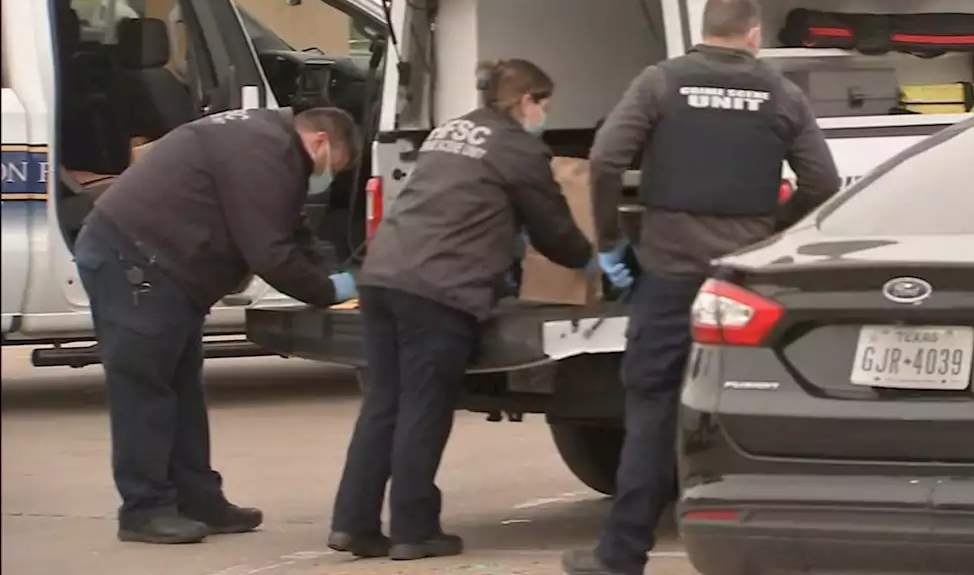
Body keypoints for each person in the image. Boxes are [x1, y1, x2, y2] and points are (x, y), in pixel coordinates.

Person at [563, 0, 842, 575]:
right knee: (758, 407)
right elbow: (823, 181)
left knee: (651, 409)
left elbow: (608, 159)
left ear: (703, 29)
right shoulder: (780, 93)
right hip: (743, 285)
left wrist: (613, 242)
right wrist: (774, 235)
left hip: (667, 275)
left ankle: (621, 556)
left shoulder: (660, 83)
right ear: (753, 34)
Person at [328, 58, 595, 561]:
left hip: (384, 276)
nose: (545, 115)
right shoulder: (519, 148)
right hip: (438, 288)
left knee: (384, 402)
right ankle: (414, 530)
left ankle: (354, 522)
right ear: (526, 101)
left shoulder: (452, 131)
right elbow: (553, 232)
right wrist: (593, 261)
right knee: (424, 408)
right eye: (545, 104)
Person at [74, 106, 363, 545]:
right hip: (133, 261)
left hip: (160, 268)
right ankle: (144, 508)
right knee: (145, 389)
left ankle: (198, 499)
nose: (326, 177)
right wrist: (328, 291)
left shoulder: (270, 141)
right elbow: (270, 253)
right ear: (321, 141)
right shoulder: (265, 153)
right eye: (333, 168)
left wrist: (331, 271)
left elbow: (289, 228)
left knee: (182, 390)